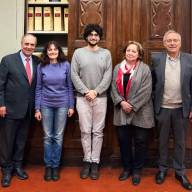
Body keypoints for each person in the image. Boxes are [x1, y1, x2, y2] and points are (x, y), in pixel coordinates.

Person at [151, 30, 192, 190]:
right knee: (162, 141)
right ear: (164, 43)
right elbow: (152, 84)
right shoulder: (156, 59)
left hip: (182, 109)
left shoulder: (190, 59)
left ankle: (180, 172)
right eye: (169, 41)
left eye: (175, 40)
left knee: (180, 143)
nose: (172, 43)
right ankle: (162, 169)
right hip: (162, 108)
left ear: (180, 43)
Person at [71, 24, 112, 180]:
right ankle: (87, 160)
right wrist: (86, 91)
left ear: (99, 36)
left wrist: (96, 91)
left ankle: (95, 162)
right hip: (82, 98)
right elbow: (74, 75)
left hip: (100, 98)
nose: (93, 37)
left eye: (96, 34)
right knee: (85, 131)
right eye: (90, 34)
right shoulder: (78, 53)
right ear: (86, 36)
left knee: (98, 131)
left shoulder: (106, 53)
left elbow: (108, 76)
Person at [111, 41, 154, 185]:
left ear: (139, 54)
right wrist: (121, 102)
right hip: (121, 111)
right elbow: (113, 88)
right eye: (128, 50)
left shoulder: (145, 69)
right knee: (124, 142)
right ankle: (127, 168)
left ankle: (137, 170)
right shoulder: (118, 67)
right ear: (125, 52)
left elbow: (146, 90)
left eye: (134, 51)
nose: (130, 53)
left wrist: (132, 105)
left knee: (141, 142)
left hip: (141, 112)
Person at [0, 34, 39, 187]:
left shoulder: (37, 62)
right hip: (9, 109)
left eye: (32, 45)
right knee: (7, 142)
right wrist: (1, 104)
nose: (29, 47)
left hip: (28, 111)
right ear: (21, 43)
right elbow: (0, 85)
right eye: (26, 44)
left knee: (21, 141)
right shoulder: (8, 60)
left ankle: (17, 166)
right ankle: (6, 170)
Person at [34, 41, 74, 181]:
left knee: (57, 136)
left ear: (59, 51)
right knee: (47, 136)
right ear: (46, 52)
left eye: (55, 49)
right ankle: (48, 166)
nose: (52, 52)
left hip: (62, 105)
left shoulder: (66, 65)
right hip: (46, 105)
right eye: (50, 50)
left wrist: (71, 106)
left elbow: (69, 87)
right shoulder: (41, 66)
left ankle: (55, 166)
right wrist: (37, 108)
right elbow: (38, 88)